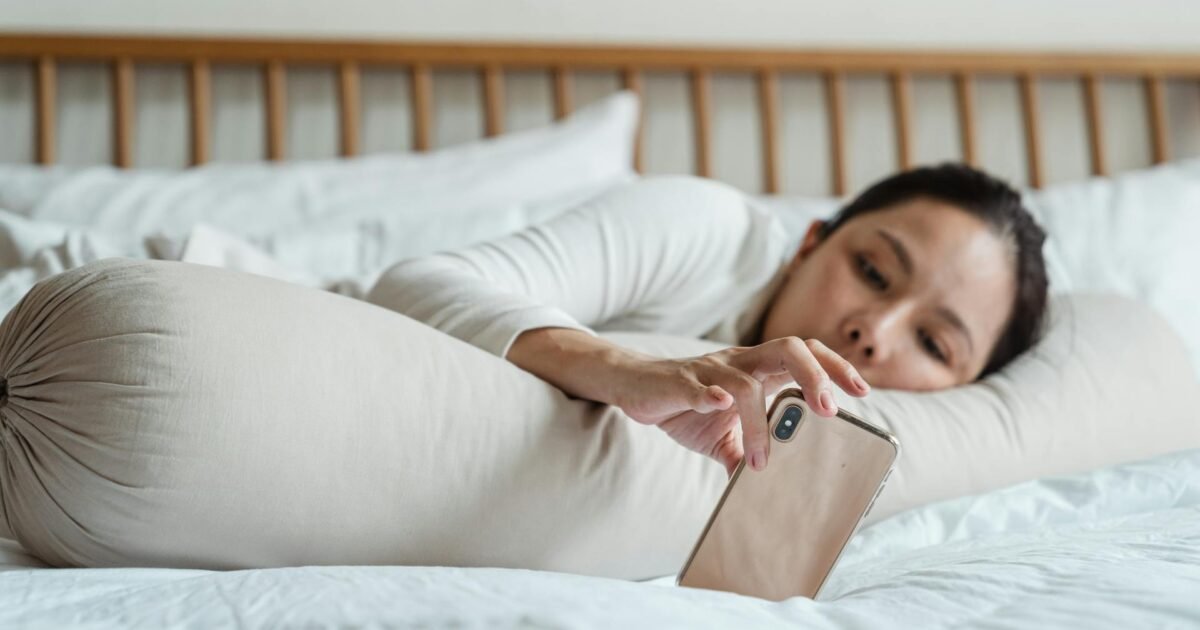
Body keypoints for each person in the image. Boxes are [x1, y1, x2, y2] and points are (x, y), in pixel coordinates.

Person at [367, 163, 1048, 475]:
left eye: (932, 342)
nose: (875, 331)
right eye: (871, 271)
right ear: (808, 243)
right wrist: (623, 369)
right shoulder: (708, 229)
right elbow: (413, 285)